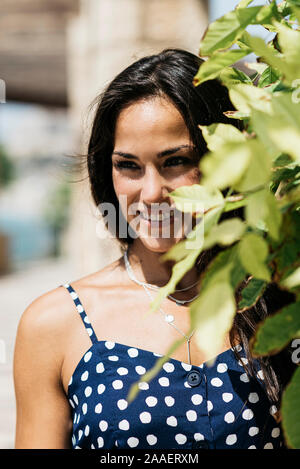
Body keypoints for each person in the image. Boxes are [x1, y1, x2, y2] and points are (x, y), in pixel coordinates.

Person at [14, 49, 295, 450]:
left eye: (176, 161)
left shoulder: (278, 301)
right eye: (128, 166)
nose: (151, 194)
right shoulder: (55, 323)